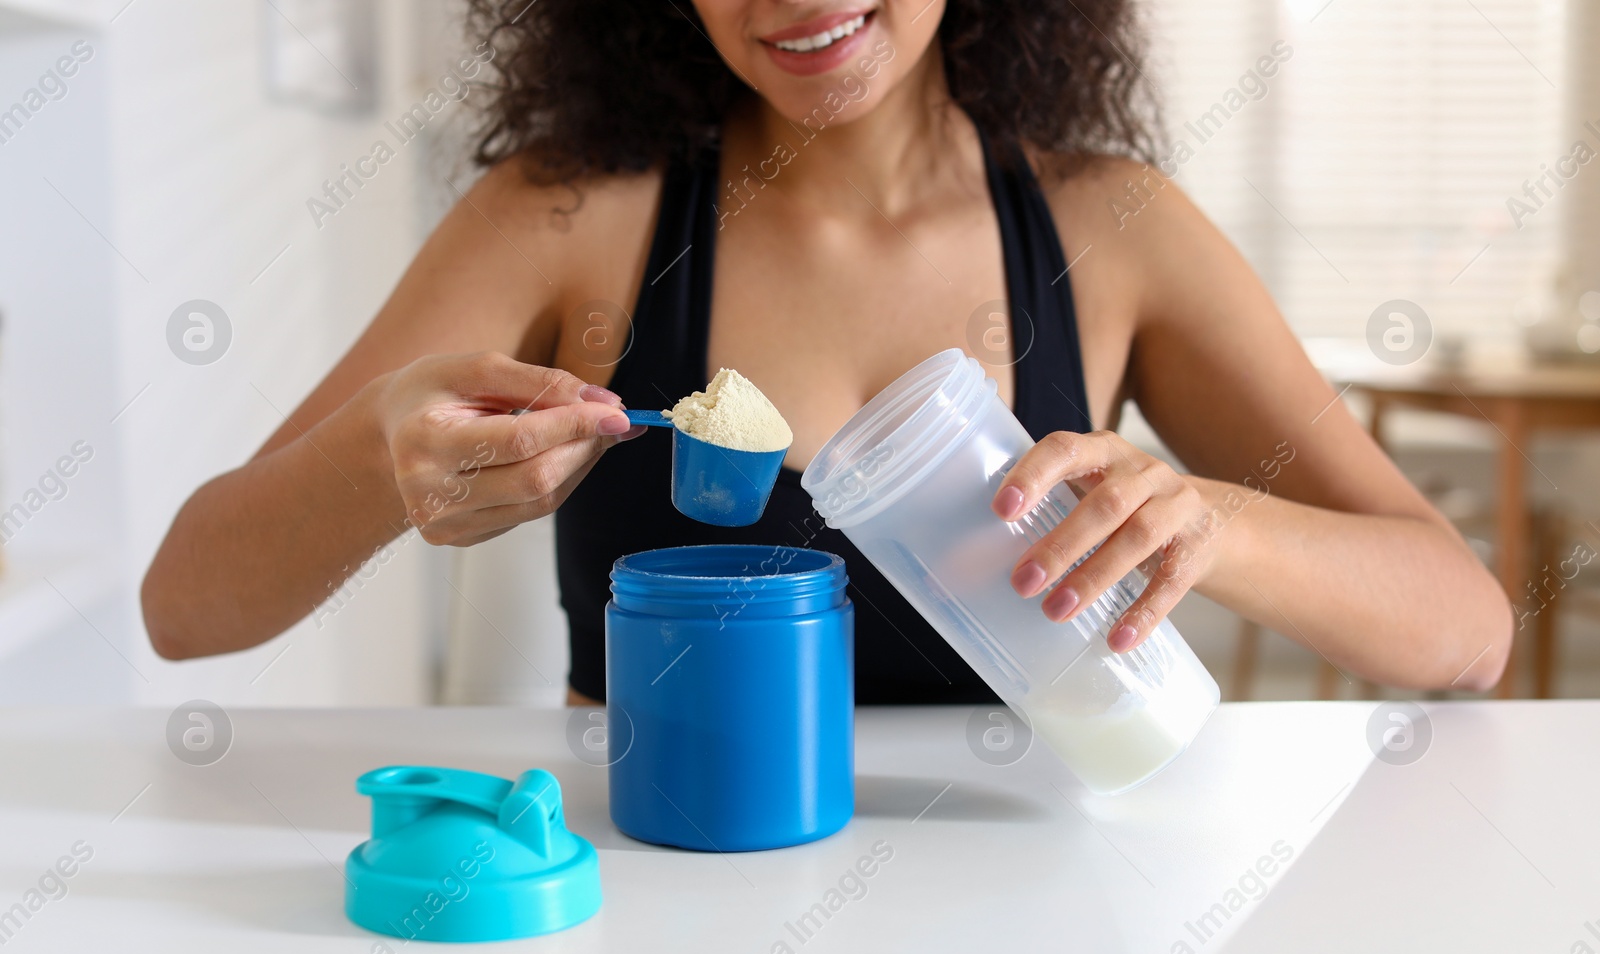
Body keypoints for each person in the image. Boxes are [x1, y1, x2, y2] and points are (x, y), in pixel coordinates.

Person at [141, 0, 1511, 701]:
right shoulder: (566, 214)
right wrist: (384, 465)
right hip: (644, 928)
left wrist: (1213, 520)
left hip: (1010, 931)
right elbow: (186, 608)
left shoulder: (1112, 227)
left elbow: (1470, 630)